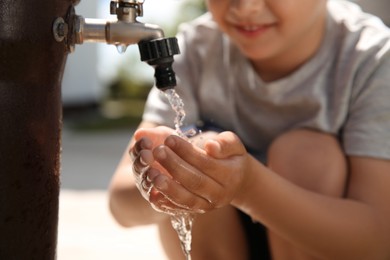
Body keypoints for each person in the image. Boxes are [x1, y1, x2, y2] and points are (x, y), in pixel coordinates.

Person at [108, 0, 390, 259]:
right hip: (219, 242)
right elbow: (121, 204)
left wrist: (246, 187)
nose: (245, 6)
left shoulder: (371, 57)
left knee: (308, 155)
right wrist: (176, 176)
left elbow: (379, 239)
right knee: (192, 158)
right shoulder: (195, 48)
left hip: (326, 238)